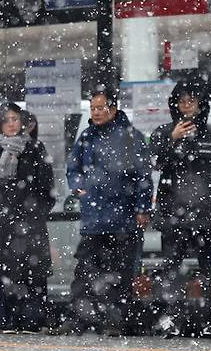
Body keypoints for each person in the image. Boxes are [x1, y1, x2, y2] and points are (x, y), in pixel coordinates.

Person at [65, 87, 152, 336]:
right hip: (94, 219)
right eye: (92, 108)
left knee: (119, 275)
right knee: (84, 273)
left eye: (100, 108)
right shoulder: (86, 137)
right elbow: (73, 168)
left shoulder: (129, 137)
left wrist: (142, 208)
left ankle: (115, 322)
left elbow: (143, 175)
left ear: (113, 109)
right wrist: (77, 187)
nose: (96, 112)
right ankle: (78, 319)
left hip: (122, 219)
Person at [150, 80, 211, 340]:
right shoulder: (163, 132)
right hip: (173, 216)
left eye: (191, 100)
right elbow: (151, 163)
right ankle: (169, 318)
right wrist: (171, 140)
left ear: (200, 104)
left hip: (205, 216)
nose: (186, 105)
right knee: (170, 269)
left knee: (208, 271)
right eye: (182, 101)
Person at [0, 103, 55, 334]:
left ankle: (32, 320)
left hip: (30, 223)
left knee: (32, 273)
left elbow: (47, 188)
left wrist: (35, 213)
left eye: (15, 119)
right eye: (6, 120)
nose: (11, 123)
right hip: (1, 224)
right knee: (5, 273)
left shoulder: (35, 148)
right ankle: (7, 319)